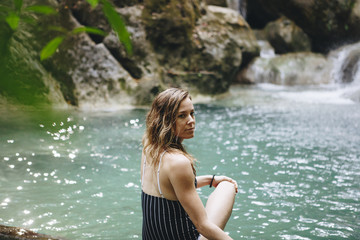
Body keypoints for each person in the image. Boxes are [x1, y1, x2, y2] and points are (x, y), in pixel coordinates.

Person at [141, 88, 238, 240]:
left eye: (192, 113)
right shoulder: (178, 162)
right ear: (165, 120)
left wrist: (210, 180)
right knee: (228, 187)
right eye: (182, 116)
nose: (191, 121)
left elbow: (171, 190)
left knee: (223, 184)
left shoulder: (149, 148)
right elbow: (202, 225)